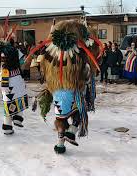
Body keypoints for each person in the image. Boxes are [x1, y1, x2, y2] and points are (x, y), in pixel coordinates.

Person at [26, 20, 102, 154]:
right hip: (74, 91)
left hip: (57, 92)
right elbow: (87, 72)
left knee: (60, 118)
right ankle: (72, 131)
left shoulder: (50, 55)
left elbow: (43, 67)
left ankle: (60, 144)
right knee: (79, 110)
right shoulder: (79, 55)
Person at [0, 19, 28, 135]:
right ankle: (17, 117)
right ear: (12, 40)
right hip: (16, 77)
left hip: (5, 80)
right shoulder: (17, 51)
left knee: (7, 100)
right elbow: (24, 64)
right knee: (20, 96)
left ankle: (7, 125)